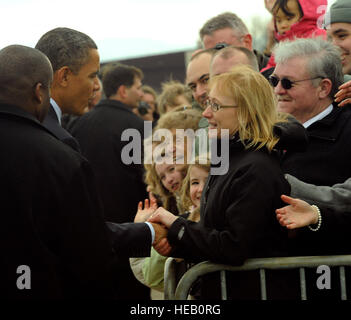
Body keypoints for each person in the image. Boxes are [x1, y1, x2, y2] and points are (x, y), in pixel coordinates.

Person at [0, 45, 166, 299]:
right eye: (91, 76)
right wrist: (148, 231)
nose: (95, 87)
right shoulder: (58, 157)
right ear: (39, 92)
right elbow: (88, 248)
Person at [149, 65, 303, 299]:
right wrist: (174, 239)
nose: (206, 113)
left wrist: (176, 226)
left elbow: (233, 247)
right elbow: (213, 231)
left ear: (246, 111)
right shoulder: (230, 159)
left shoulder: (257, 169)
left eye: (216, 106)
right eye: (207, 103)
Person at [69, 63, 150, 299]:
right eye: (138, 87)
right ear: (123, 90)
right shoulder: (136, 126)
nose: (142, 93)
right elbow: (147, 177)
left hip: (92, 230)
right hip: (131, 230)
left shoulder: (78, 124)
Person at [272, 38, 351, 187]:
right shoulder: (262, 127)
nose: (278, 90)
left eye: (288, 83)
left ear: (323, 88)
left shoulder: (347, 132)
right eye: (274, 80)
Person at [35, 27, 101, 152]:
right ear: (64, 76)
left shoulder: (15, 124)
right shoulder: (57, 141)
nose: (97, 86)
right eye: (92, 76)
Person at [261, 0, 327, 73]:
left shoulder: (318, 37)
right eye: (278, 20)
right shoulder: (282, 44)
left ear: (307, 16)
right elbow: (271, 66)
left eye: (289, 18)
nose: (283, 25)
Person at [199, 12, 269, 70]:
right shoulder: (209, 84)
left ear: (247, 43)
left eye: (221, 49)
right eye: (209, 55)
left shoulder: (275, 79)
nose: (216, 59)